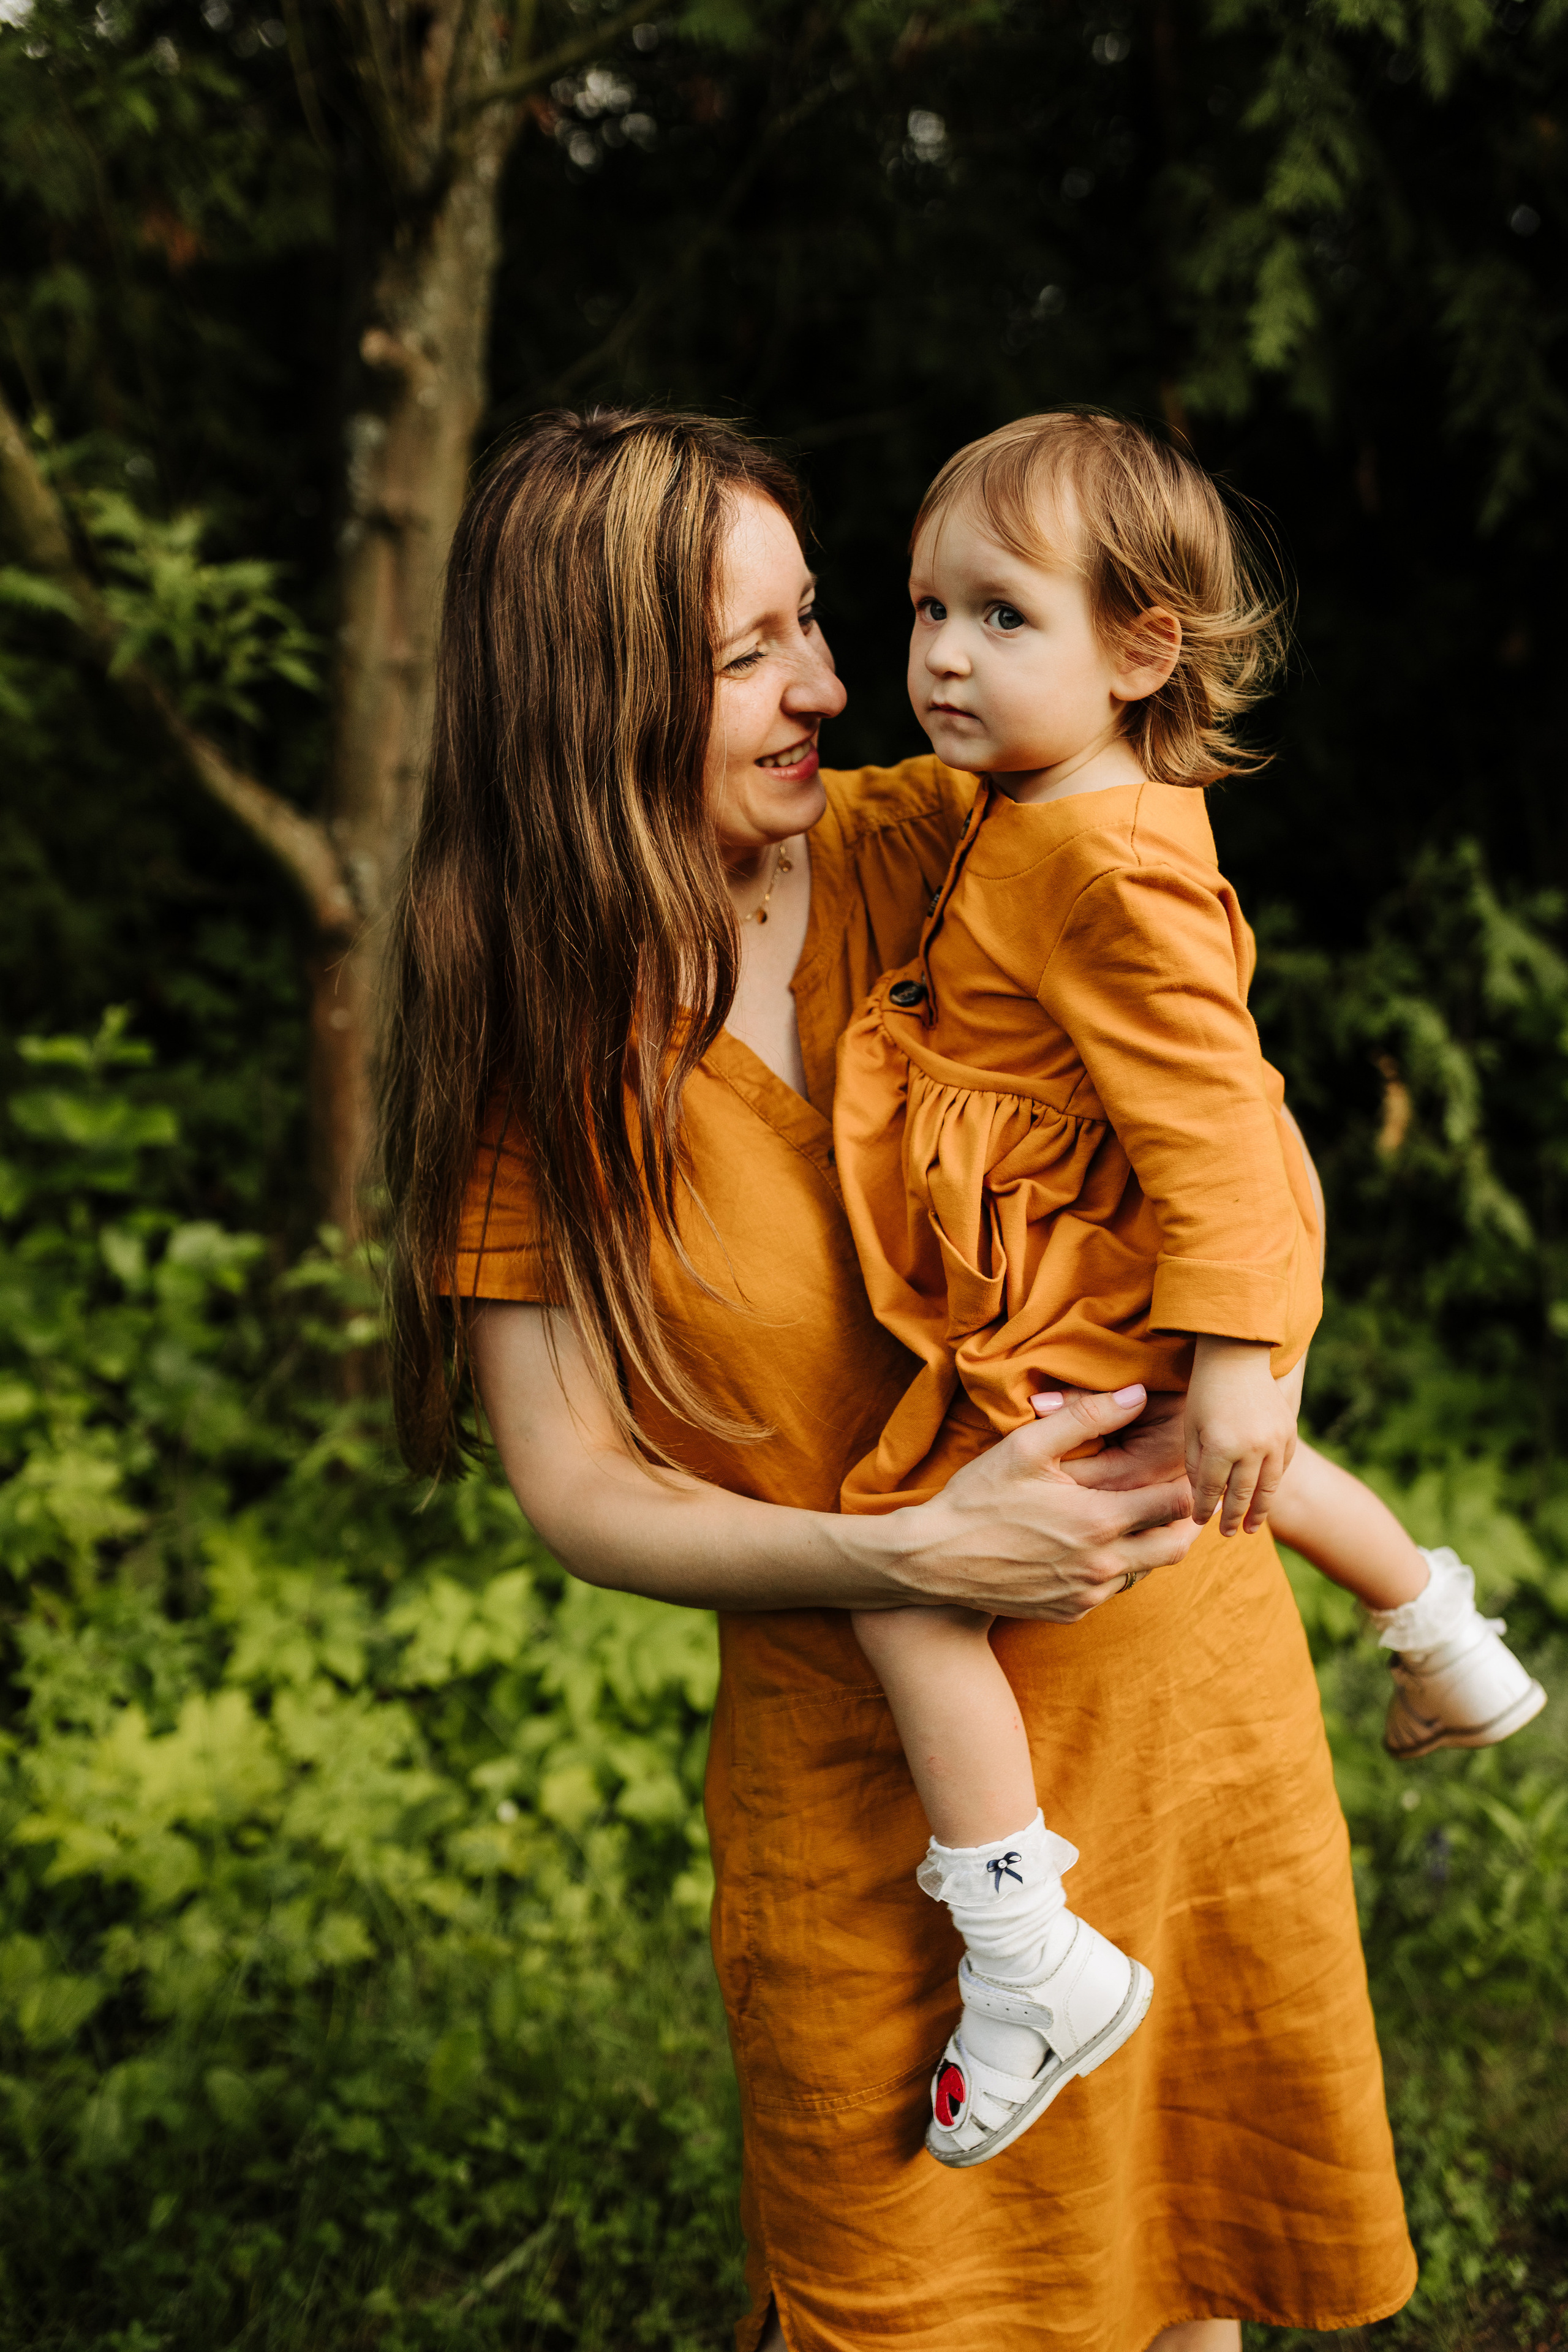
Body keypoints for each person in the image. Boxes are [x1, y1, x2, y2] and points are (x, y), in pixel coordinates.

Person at [380, 406, 1417, 2352]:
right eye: (748, 653)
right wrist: (927, 1555)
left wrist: (1244, 1361)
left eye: (817, 622)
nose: (836, 685)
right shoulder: (537, 1052)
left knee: (1187, 2274)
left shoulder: (956, 850)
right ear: (592, 695)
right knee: (904, 2295)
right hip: (874, 1781)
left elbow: (1230, 1135)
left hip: (1173, 1679)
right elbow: (577, 1486)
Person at [831, 409, 1547, 2169]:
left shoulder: (1107, 856)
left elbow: (1223, 1122)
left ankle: (1026, 1964)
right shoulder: (1042, 810)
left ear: (1143, 646)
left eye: (1003, 615)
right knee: (1208, 1462)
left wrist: (1241, 1352)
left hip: (1082, 1284)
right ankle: (1445, 1638)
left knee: (903, 1578)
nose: (938, 654)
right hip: (1093, 1263)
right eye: (925, 608)